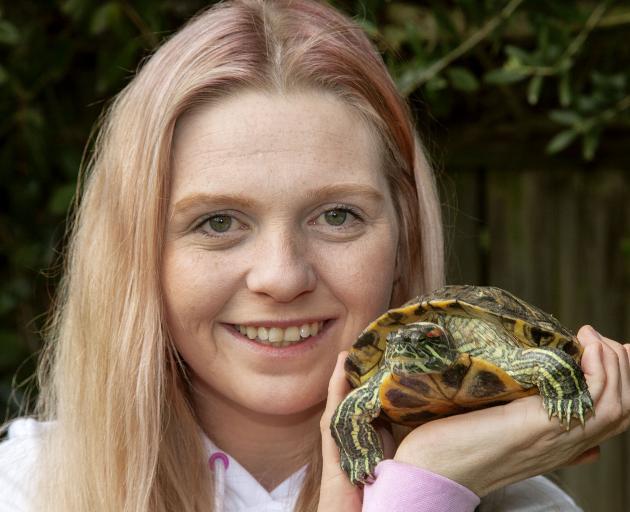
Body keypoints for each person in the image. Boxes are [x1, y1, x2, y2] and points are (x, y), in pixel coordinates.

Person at [0, 1, 628, 511]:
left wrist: (429, 479)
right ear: (136, 252)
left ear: (404, 232)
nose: (281, 276)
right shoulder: (25, 489)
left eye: (336, 216)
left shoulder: (522, 506)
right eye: (218, 221)